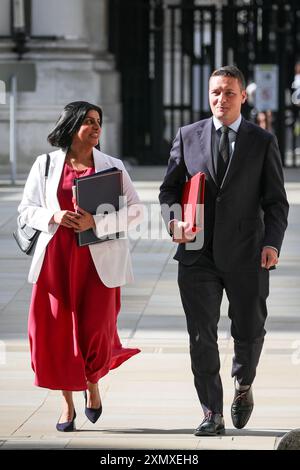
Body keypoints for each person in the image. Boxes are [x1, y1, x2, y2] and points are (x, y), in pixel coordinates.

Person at [159, 66, 289, 436]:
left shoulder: (261, 141)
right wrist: (173, 223)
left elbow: (276, 202)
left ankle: (243, 385)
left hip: (249, 254)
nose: (221, 99)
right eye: (216, 92)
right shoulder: (187, 136)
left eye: (229, 93)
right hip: (197, 253)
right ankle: (211, 411)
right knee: (201, 335)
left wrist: (271, 244)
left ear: (243, 97)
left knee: (249, 330)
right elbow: (168, 191)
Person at [18, 101, 144, 432]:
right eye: (89, 121)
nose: (96, 126)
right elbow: (27, 209)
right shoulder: (45, 165)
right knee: (56, 334)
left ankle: (92, 385)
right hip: (56, 261)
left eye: (98, 121)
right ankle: (66, 405)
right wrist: (54, 216)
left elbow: (136, 210)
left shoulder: (112, 165)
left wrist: (97, 222)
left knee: (96, 332)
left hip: (98, 262)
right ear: (72, 126)